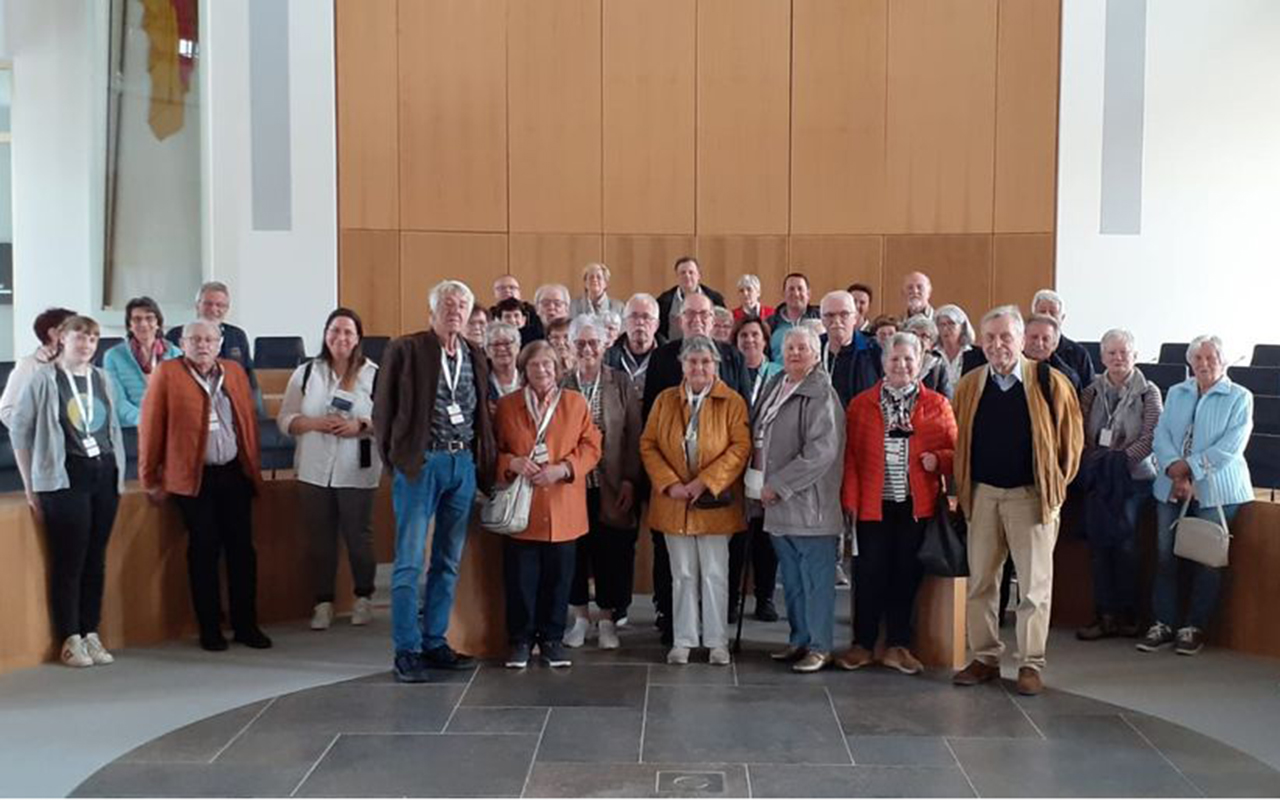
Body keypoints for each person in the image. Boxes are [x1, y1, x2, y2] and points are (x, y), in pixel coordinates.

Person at [951, 306, 1082, 696]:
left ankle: (1030, 663)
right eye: (989, 338)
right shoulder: (970, 384)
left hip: (1031, 498)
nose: (997, 345)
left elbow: (1071, 446)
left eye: (1005, 337)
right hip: (983, 495)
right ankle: (985, 657)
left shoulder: (1050, 382)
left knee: (1033, 588)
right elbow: (959, 440)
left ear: (1021, 339)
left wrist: (1053, 490)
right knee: (981, 584)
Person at [372, 280, 497, 683]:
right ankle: (406, 650)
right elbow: (383, 411)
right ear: (432, 311)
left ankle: (434, 641)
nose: (455, 311)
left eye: (462, 305)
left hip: (461, 463)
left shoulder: (474, 354)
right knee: (409, 562)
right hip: (420, 462)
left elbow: (479, 411)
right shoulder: (405, 349)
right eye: (448, 304)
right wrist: (396, 459)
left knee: (447, 560)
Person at [139, 319, 271, 652]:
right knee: (204, 550)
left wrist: (252, 469)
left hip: (233, 473)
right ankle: (209, 628)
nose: (203, 345)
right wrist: (149, 477)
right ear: (182, 343)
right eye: (195, 339)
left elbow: (248, 425)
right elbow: (151, 427)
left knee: (243, 551)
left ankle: (246, 625)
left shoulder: (234, 372)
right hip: (192, 478)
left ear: (220, 342)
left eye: (210, 339)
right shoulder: (167, 374)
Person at [838, 332, 957, 675]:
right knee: (869, 573)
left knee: (906, 575)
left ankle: (898, 646)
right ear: (883, 362)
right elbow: (851, 458)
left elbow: (956, 451)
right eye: (895, 359)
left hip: (916, 507)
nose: (902, 365)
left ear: (919, 362)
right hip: (872, 505)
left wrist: (939, 459)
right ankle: (862, 644)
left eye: (908, 359)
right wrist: (850, 500)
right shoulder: (862, 404)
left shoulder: (937, 404)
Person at [12, 316, 126, 668]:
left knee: (97, 557)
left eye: (94, 337)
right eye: (80, 335)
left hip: (104, 474)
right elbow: (20, 431)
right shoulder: (43, 379)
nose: (88, 343)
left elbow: (111, 428)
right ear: (62, 338)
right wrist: (31, 487)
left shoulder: (102, 378)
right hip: (64, 478)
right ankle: (70, 637)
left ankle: (91, 631)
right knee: (70, 560)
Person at [641, 293, 749, 644]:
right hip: (673, 500)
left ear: (715, 365)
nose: (698, 368)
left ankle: (717, 641)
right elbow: (649, 443)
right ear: (682, 365)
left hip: (715, 500)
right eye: (692, 362)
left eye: (705, 362)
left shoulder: (731, 401)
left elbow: (740, 445)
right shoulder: (665, 399)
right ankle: (683, 640)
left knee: (716, 573)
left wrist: (705, 482)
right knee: (682, 574)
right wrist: (671, 484)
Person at [1138, 335, 1253, 657]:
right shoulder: (1177, 392)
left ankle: (1193, 626)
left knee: (1206, 560)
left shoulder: (1239, 397)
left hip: (1216, 490)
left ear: (1224, 361)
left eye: (1211, 357)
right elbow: (1161, 435)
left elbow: (1231, 446)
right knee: (1164, 557)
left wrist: (1189, 471)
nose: (1203, 364)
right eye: (1197, 358)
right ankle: (1163, 622)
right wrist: (1175, 470)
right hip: (1170, 486)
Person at [495, 340, 602, 669]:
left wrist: (564, 469)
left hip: (563, 505)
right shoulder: (508, 405)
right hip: (522, 508)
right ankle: (521, 641)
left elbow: (592, 446)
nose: (541, 370)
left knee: (560, 578)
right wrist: (511, 463)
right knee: (521, 580)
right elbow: (493, 451)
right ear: (524, 370)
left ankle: (553, 639)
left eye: (547, 365)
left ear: (557, 368)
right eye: (534, 365)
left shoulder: (575, 403)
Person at [277, 308, 382, 631]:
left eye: (348, 332)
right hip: (314, 468)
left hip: (356, 467)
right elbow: (285, 419)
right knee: (320, 539)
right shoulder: (308, 373)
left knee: (358, 536)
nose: (341, 338)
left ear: (358, 338)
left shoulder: (374, 374)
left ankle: (363, 597)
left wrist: (360, 425)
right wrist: (314, 423)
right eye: (335, 331)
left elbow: (388, 420)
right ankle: (323, 602)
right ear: (325, 334)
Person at [750, 327, 846, 672]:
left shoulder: (821, 393)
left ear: (816, 354)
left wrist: (779, 484)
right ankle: (800, 639)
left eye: (802, 348)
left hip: (809, 506)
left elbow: (821, 453)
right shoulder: (778, 384)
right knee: (791, 580)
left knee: (816, 581)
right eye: (789, 347)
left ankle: (820, 646)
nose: (794, 353)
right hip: (776, 505)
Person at [1075, 329, 1162, 641]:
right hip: (1099, 480)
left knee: (1126, 547)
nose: (1118, 358)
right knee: (1099, 548)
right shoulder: (1091, 392)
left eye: (1124, 352)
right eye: (1111, 353)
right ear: (1101, 358)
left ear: (1135, 355)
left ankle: (1129, 614)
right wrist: (1100, 463)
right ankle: (1105, 615)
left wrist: (1119, 463)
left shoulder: (1148, 392)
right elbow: (1080, 433)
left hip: (1133, 480)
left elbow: (1151, 436)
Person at [561, 316, 642, 650]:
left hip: (612, 482)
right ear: (570, 346)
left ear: (605, 344)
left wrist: (629, 480)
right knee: (574, 553)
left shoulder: (620, 382)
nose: (587, 349)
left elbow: (635, 434)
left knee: (613, 551)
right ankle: (580, 617)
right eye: (580, 343)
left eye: (593, 342)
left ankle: (608, 620)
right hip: (572, 484)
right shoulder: (563, 382)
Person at [728, 315, 781, 622]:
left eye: (755, 335)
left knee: (765, 535)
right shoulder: (729, 372)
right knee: (736, 535)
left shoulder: (778, 374)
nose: (749, 340)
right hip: (735, 462)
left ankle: (765, 598)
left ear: (764, 340)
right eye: (743, 336)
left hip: (768, 462)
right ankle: (732, 600)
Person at [164, 281, 259, 401]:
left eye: (220, 305)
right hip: (187, 398)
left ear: (227, 309)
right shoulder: (175, 335)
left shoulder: (237, 335)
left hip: (231, 399)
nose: (213, 309)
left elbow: (248, 376)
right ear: (197, 305)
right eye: (208, 304)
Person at [102, 297, 183, 427]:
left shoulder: (177, 355)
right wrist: (146, 421)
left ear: (158, 323)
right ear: (129, 325)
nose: (143, 324)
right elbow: (117, 401)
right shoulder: (113, 356)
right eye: (137, 319)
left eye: (149, 318)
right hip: (131, 430)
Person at [0, 307, 77, 428]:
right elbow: (7, 412)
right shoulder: (30, 365)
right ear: (54, 333)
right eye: (74, 329)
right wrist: (40, 434)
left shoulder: (81, 365)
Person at [821, 291, 883, 410]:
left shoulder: (874, 351)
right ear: (822, 320)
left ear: (855, 318)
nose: (837, 321)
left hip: (862, 423)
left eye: (844, 314)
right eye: (829, 315)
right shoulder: (812, 350)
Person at [1031, 289, 1097, 387]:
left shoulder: (1078, 353)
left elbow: (1090, 391)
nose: (1047, 317)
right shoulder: (1022, 349)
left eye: (1053, 313)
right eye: (1042, 312)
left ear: (1062, 318)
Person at [656, 257, 727, 343]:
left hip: (708, 348)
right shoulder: (663, 301)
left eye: (691, 272)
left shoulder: (715, 299)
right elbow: (659, 330)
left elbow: (723, 326)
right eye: (682, 273)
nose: (687, 276)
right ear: (677, 276)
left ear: (699, 275)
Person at [605, 293, 663, 396]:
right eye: (634, 316)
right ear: (625, 322)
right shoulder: (608, 358)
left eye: (646, 317)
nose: (640, 322)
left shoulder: (669, 358)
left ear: (656, 325)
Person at [1023, 314, 1083, 394]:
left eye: (1045, 339)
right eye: (1034, 337)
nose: (1039, 343)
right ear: (1022, 339)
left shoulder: (1067, 377)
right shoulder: (1008, 368)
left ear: (1054, 345)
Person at [766, 273, 820, 361]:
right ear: (783, 294)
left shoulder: (820, 319)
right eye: (791, 289)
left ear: (808, 294)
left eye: (800, 289)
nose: (796, 293)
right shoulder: (770, 324)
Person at [904, 316, 952, 399]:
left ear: (931, 344)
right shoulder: (896, 362)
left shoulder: (937, 366)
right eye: (913, 334)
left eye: (924, 336)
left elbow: (947, 400)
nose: (917, 339)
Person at [934, 304, 975, 392]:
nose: (946, 328)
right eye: (941, 325)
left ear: (963, 327)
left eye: (951, 323)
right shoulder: (932, 356)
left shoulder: (977, 354)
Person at [491, 274, 540, 343]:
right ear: (495, 293)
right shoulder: (489, 314)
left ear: (519, 292)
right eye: (502, 288)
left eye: (512, 287)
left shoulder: (533, 312)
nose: (507, 291)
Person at [485, 321, 523, 401]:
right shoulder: (481, 383)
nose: (502, 349)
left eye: (507, 343)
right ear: (487, 351)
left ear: (518, 347)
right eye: (496, 344)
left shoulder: (527, 379)